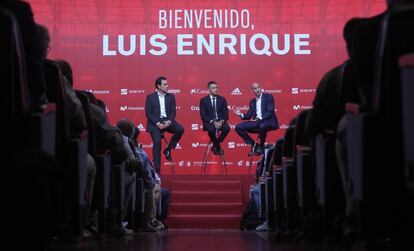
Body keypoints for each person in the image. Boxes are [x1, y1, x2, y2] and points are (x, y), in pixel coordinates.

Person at [145, 76, 184, 174]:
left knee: (180, 129)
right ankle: (157, 171)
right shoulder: (150, 97)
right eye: (165, 84)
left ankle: (168, 149)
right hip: (154, 123)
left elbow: (173, 112)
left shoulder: (171, 96)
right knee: (157, 142)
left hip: (167, 121)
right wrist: (158, 123)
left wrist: (169, 121)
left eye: (167, 84)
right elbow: (148, 113)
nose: (167, 86)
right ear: (158, 86)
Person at [234, 82, 279, 156]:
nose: (257, 90)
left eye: (258, 87)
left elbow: (270, 111)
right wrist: (241, 114)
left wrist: (260, 118)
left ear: (261, 88)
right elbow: (249, 115)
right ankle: (254, 145)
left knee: (262, 125)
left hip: (268, 121)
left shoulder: (268, 97)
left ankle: (261, 146)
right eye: (255, 88)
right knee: (238, 127)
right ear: (252, 91)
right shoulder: (252, 102)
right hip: (257, 121)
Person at [199, 81, 230, 155]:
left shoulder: (222, 99)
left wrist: (221, 122)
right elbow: (203, 115)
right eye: (213, 88)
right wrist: (213, 122)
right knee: (211, 129)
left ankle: (216, 144)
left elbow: (226, 114)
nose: (216, 89)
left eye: (217, 87)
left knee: (227, 128)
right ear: (209, 90)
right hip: (210, 122)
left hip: (220, 121)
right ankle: (217, 146)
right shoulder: (203, 100)